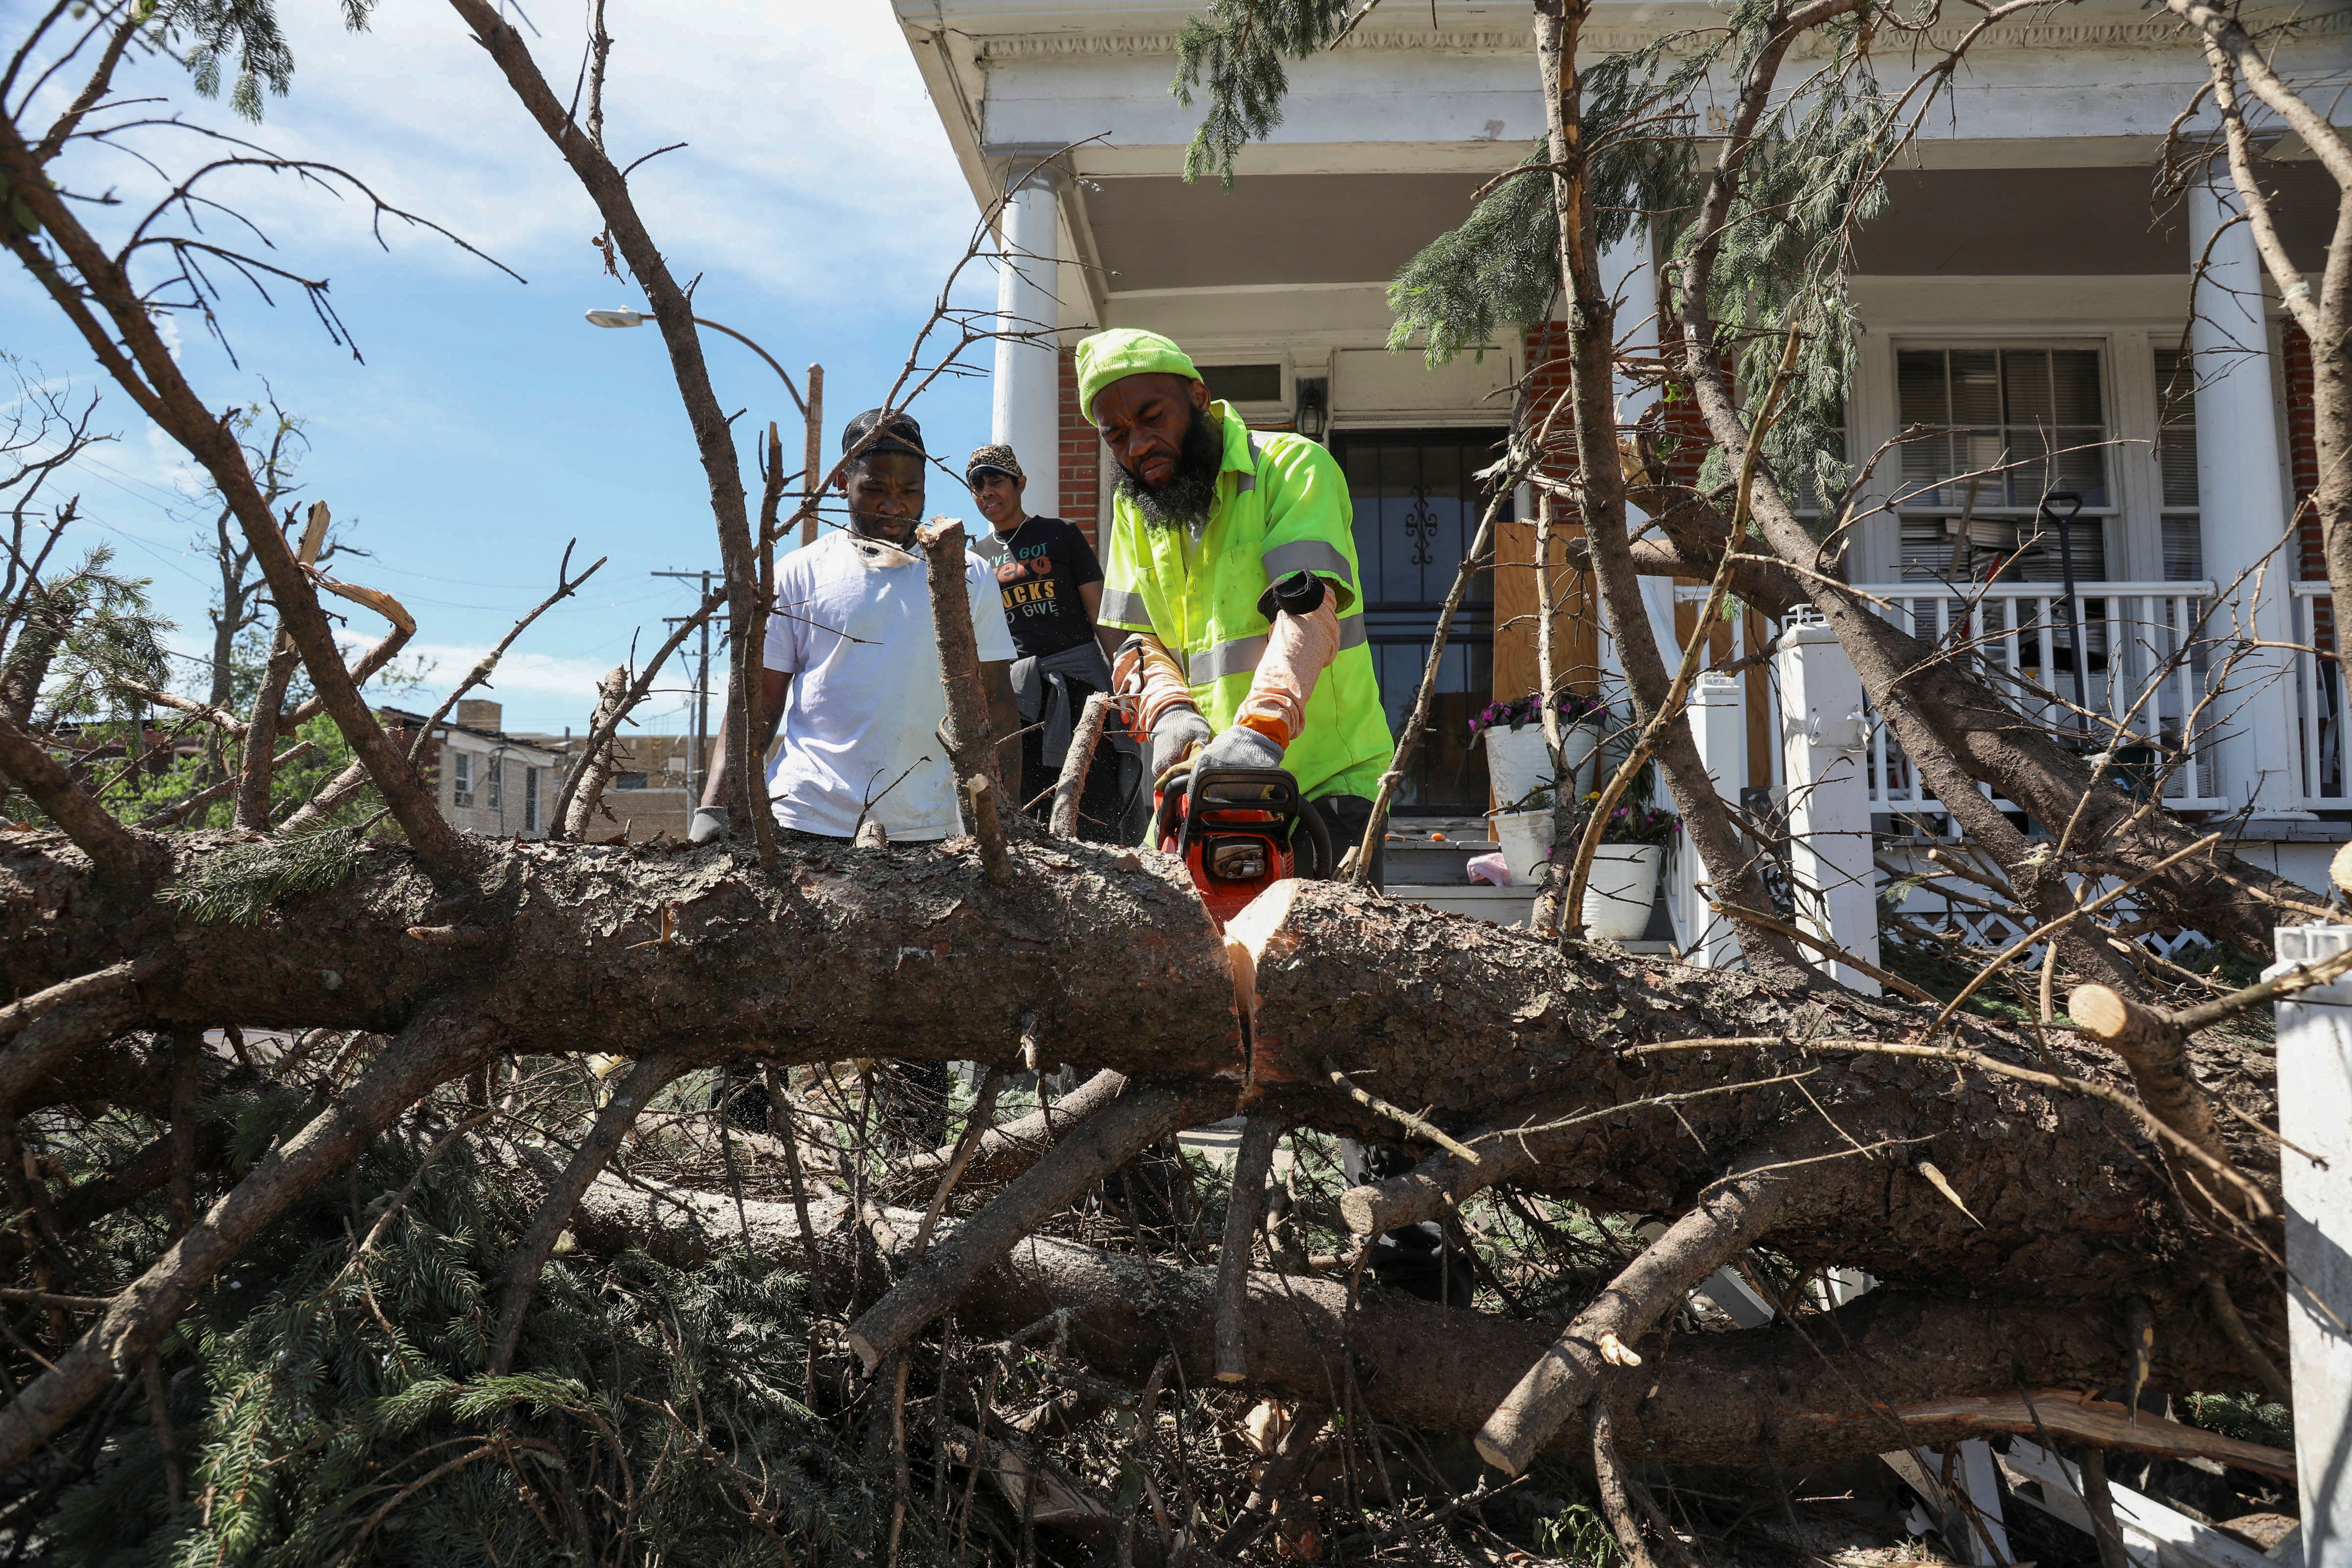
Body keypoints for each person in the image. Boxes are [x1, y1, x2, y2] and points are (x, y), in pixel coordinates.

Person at [692, 406, 1019, 1146]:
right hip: (808, 823)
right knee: (770, 997)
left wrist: (1008, 821)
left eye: (908, 489)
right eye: (876, 487)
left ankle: (907, 1182)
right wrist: (716, 808)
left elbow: (994, 706)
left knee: (916, 1018)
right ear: (843, 480)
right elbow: (757, 706)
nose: (895, 504)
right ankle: (741, 1160)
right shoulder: (801, 574)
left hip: (927, 834)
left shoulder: (966, 577)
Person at [1077, 327, 1394, 883]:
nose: (1138, 444)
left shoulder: (1294, 467)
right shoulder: (1137, 509)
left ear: (1199, 398)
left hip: (1322, 784)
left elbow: (1307, 609)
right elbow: (1132, 636)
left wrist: (1259, 731)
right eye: (1117, 434)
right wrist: (1169, 709)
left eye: (1153, 417)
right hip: (1205, 788)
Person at [964, 442, 1135, 841]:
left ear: (1019, 484)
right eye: (978, 487)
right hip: (1017, 696)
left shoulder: (1061, 535)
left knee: (1094, 789)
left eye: (996, 481)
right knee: (1030, 797)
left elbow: (1100, 613)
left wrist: (1126, 681)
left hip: (1081, 685)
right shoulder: (973, 558)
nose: (987, 492)